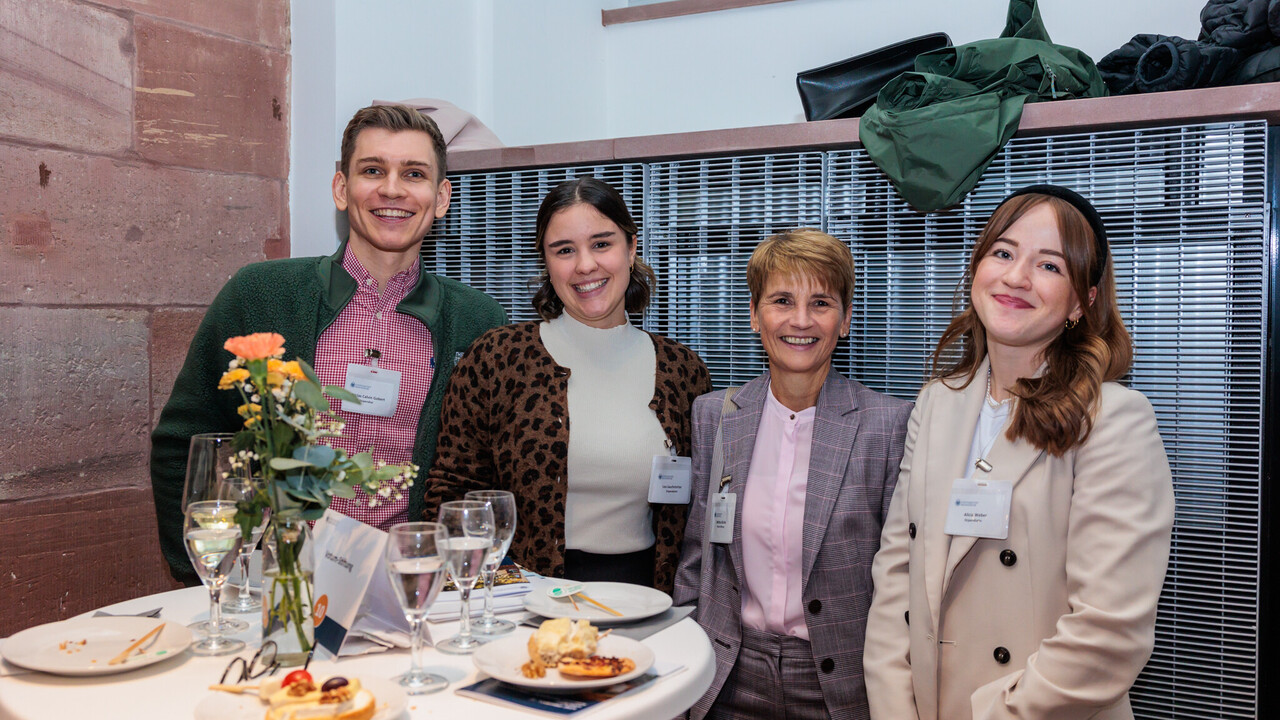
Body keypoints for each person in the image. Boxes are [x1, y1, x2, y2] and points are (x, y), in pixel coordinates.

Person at [151, 105, 507, 584]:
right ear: (342, 188)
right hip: (282, 589)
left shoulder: (479, 322)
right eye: (373, 170)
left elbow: (490, 473)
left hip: (417, 588)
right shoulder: (259, 296)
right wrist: (211, 577)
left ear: (441, 197)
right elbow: (183, 445)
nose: (393, 189)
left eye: (414, 174)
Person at [862, 185, 1175, 720]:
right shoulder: (937, 404)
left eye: (1049, 265)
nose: (1016, 277)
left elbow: (1108, 632)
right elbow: (896, 575)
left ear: (1083, 300)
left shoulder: (1113, 421)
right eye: (1002, 253)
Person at [424, 177, 710, 592]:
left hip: (649, 602)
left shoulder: (683, 371)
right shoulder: (498, 358)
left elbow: (696, 514)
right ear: (546, 262)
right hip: (524, 600)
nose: (585, 265)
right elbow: (452, 494)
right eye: (564, 250)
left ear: (631, 248)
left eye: (601, 244)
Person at [673, 229, 912, 720]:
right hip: (726, 673)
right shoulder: (715, 415)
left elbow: (901, 583)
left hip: (839, 683)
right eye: (782, 300)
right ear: (757, 314)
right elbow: (697, 559)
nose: (800, 320)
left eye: (821, 303)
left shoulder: (888, 425)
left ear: (844, 319)